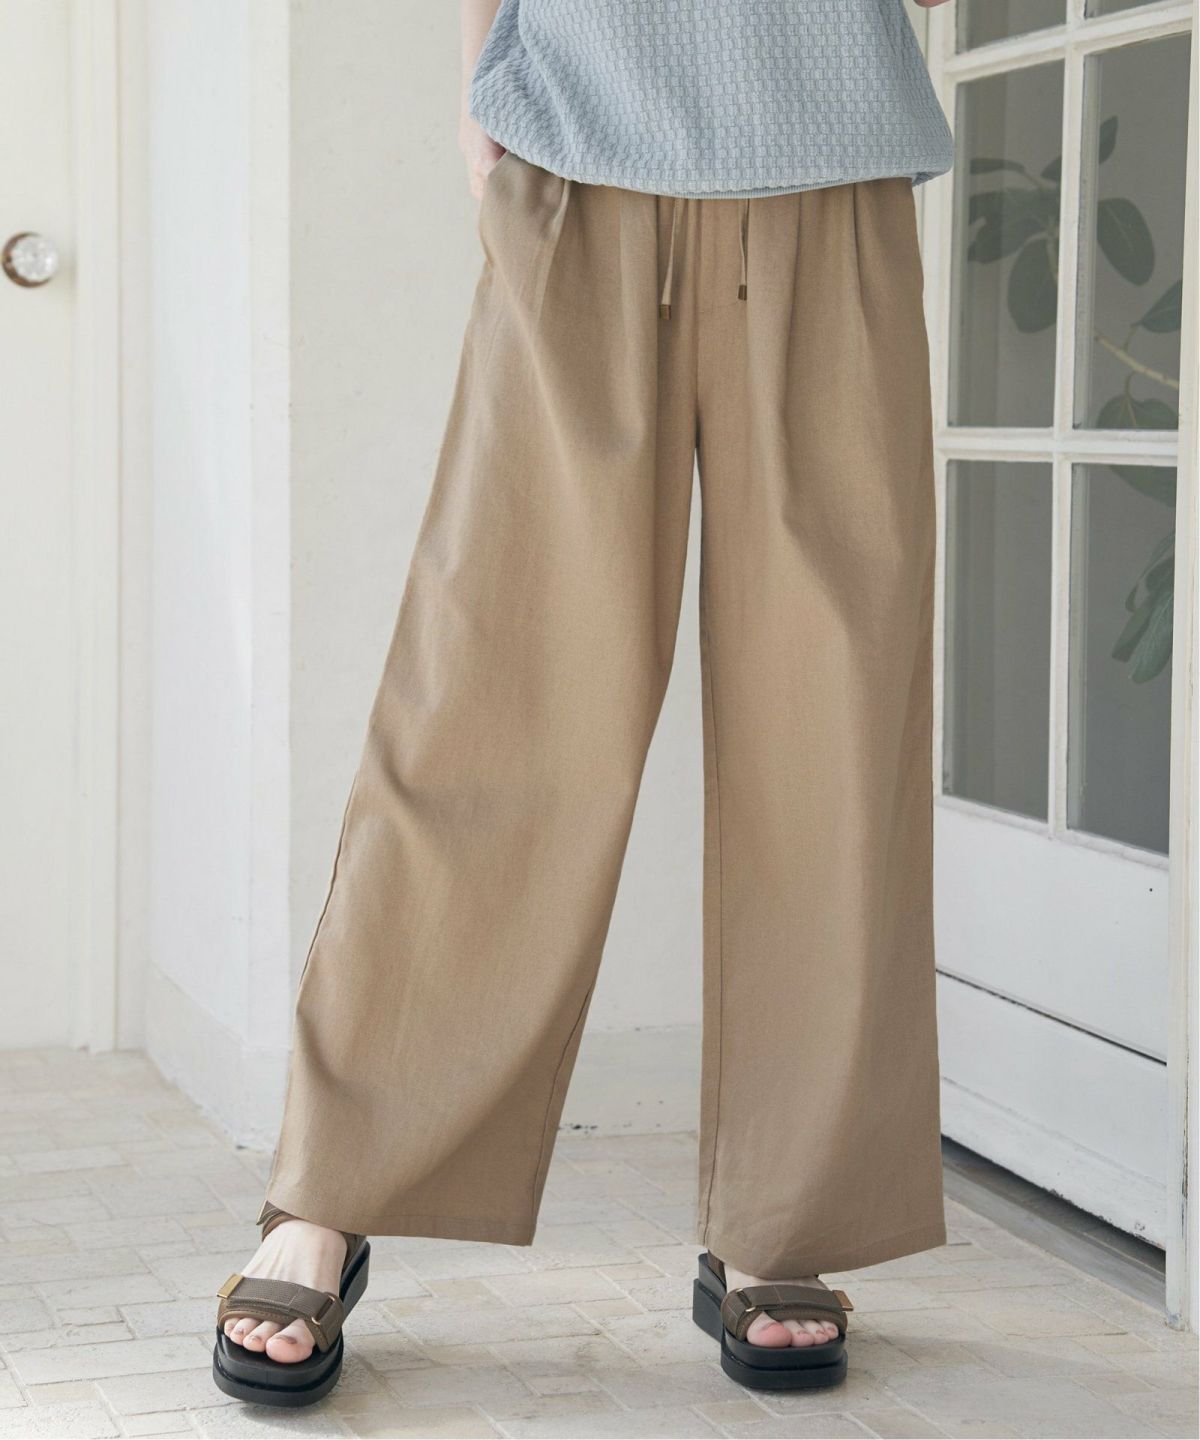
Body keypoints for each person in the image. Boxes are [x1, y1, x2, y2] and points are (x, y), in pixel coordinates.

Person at [212, 0, 955, 1406]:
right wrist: (476, 91)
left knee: (833, 738)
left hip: (835, 163)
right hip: (576, 157)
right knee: (489, 708)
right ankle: (329, 1188)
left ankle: (784, 1216)